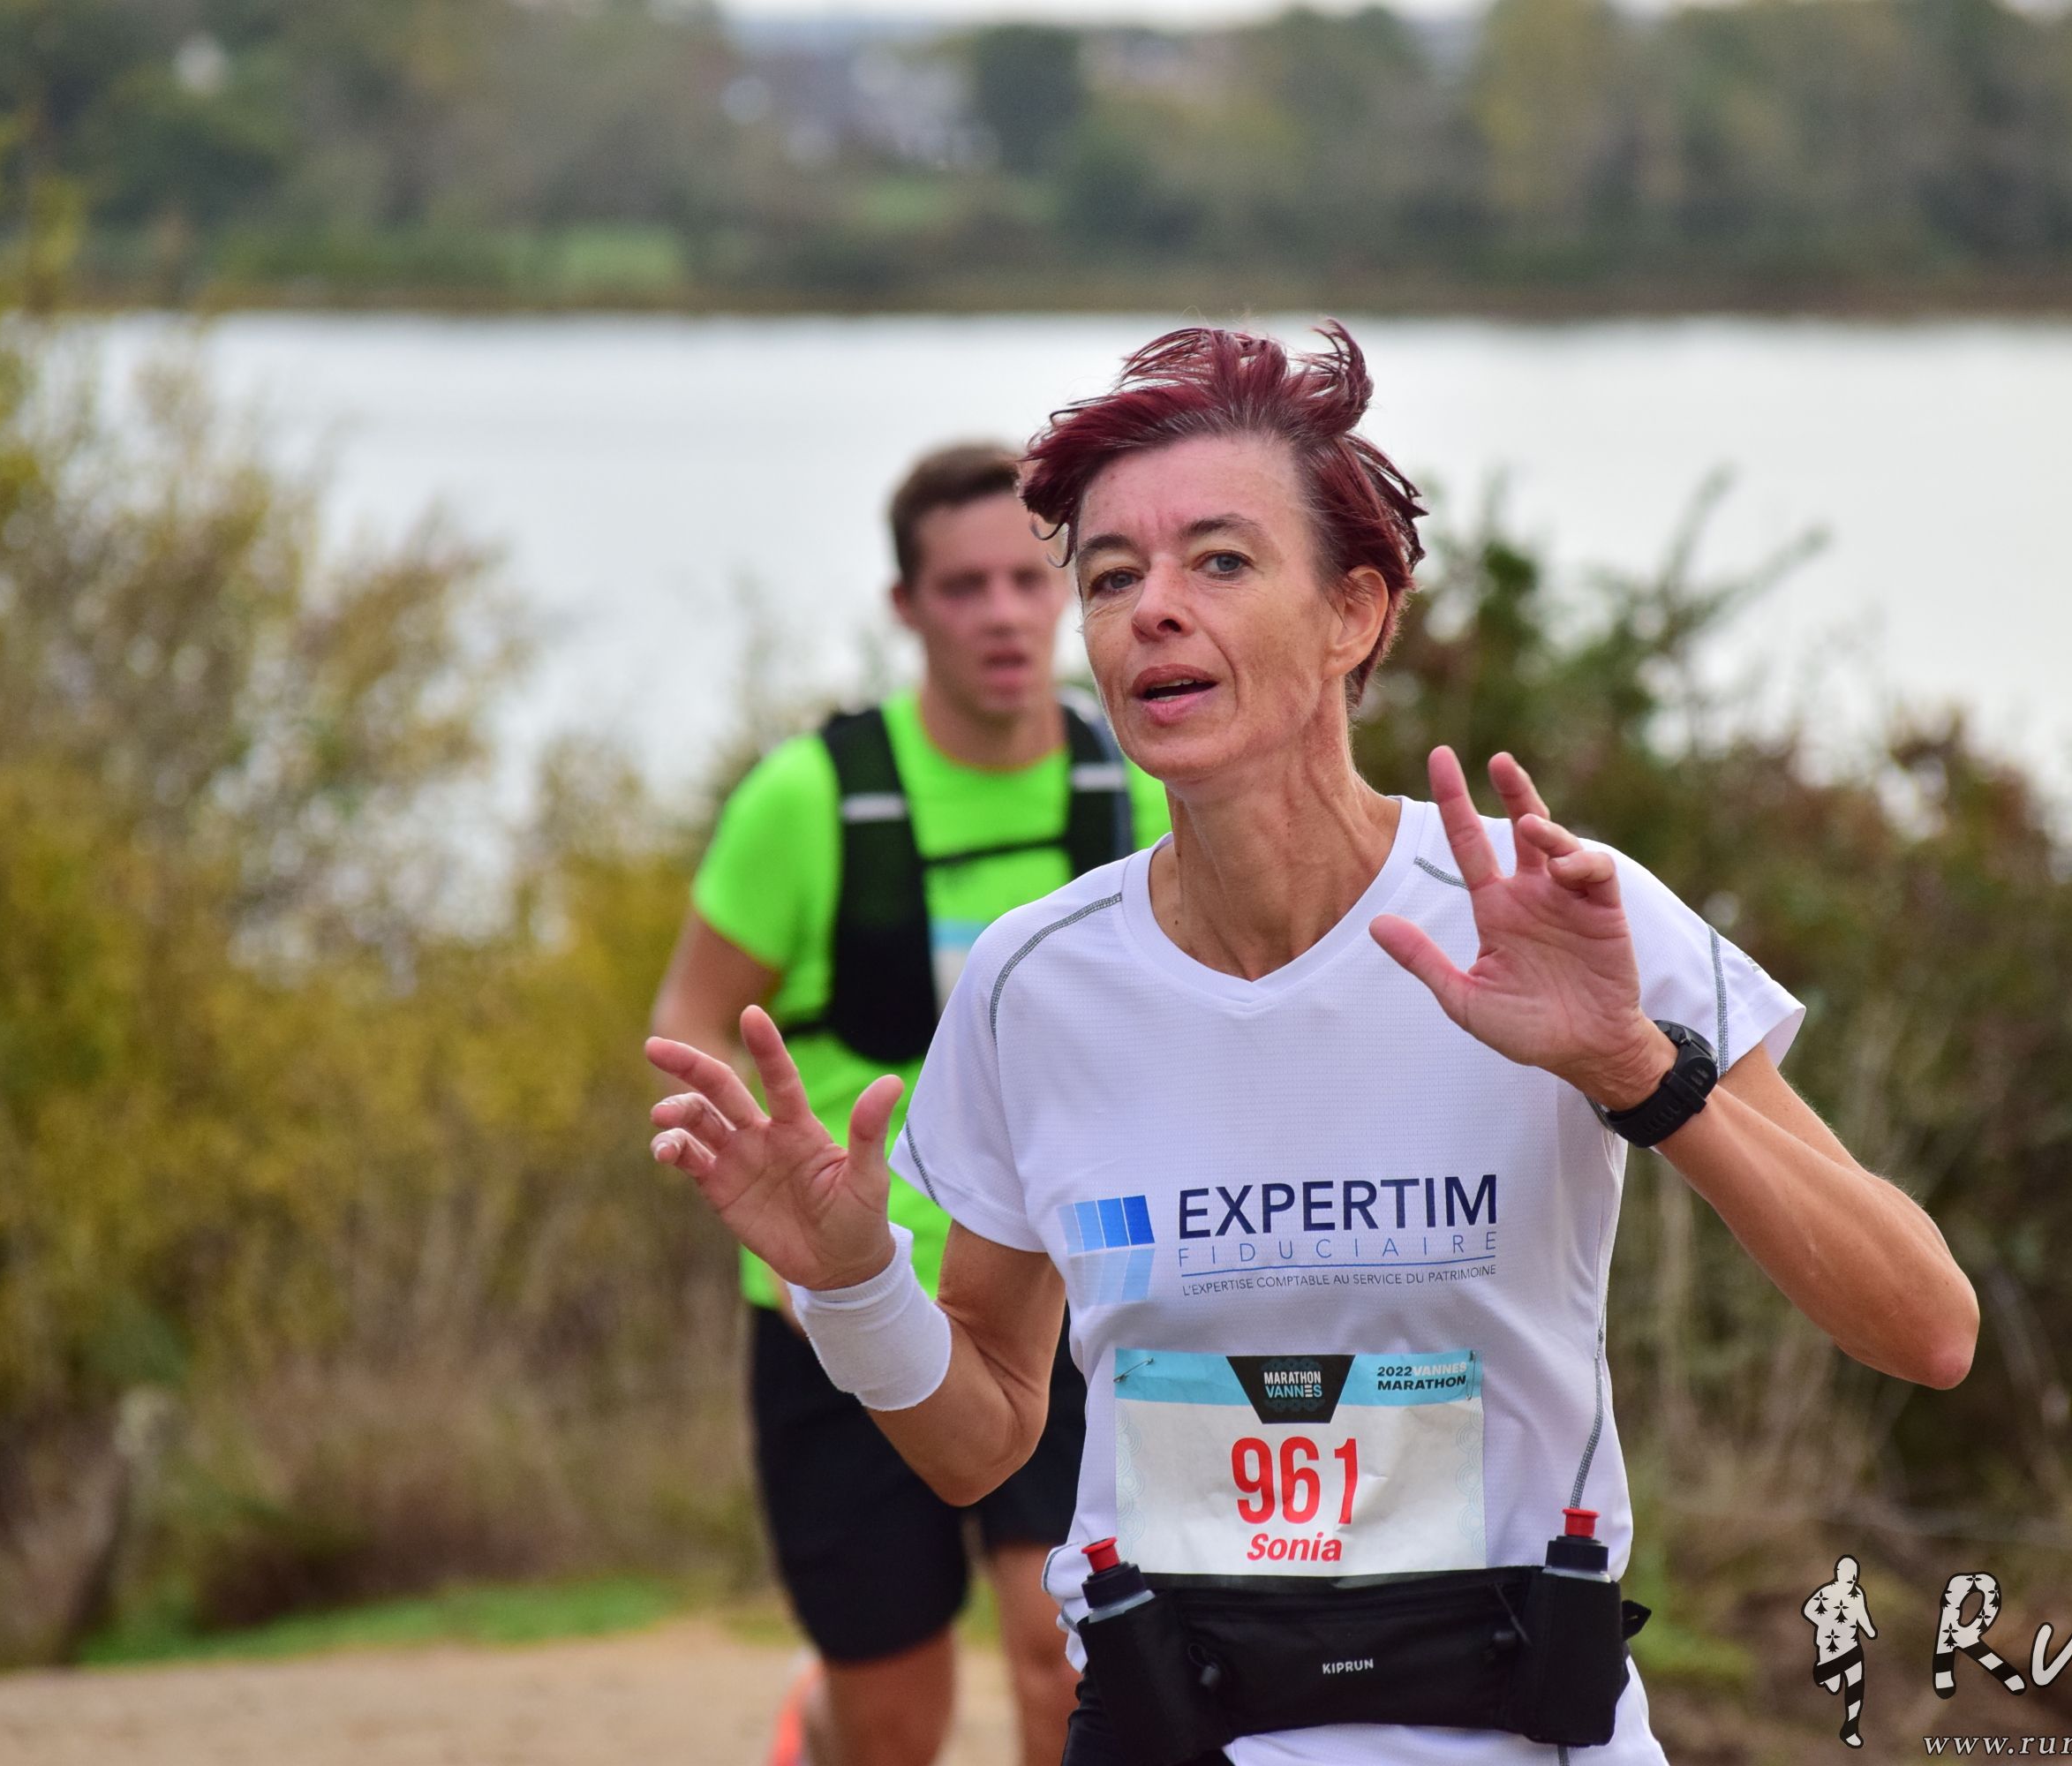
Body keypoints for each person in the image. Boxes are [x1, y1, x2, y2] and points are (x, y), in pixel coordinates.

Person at [644, 327, 1978, 1765]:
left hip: (1522, 1731)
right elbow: (985, 1440)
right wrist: (852, 1285)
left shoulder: (1546, 911)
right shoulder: (1034, 986)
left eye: (1219, 562)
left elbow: (1927, 1328)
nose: (1154, 610)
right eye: (1111, 577)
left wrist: (1639, 1076)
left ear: (1354, 612)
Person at [650, 442, 1169, 1766]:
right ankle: (815, 1723)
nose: (1002, 615)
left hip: (1064, 1289)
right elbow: (690, 1019)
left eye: (1027, 582)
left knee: (1067, 1663)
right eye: (962, 587)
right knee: (895, 1724)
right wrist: (770, 1197)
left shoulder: (1135, 780)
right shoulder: (807, 798)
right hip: (840, 1294)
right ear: (905, 607)